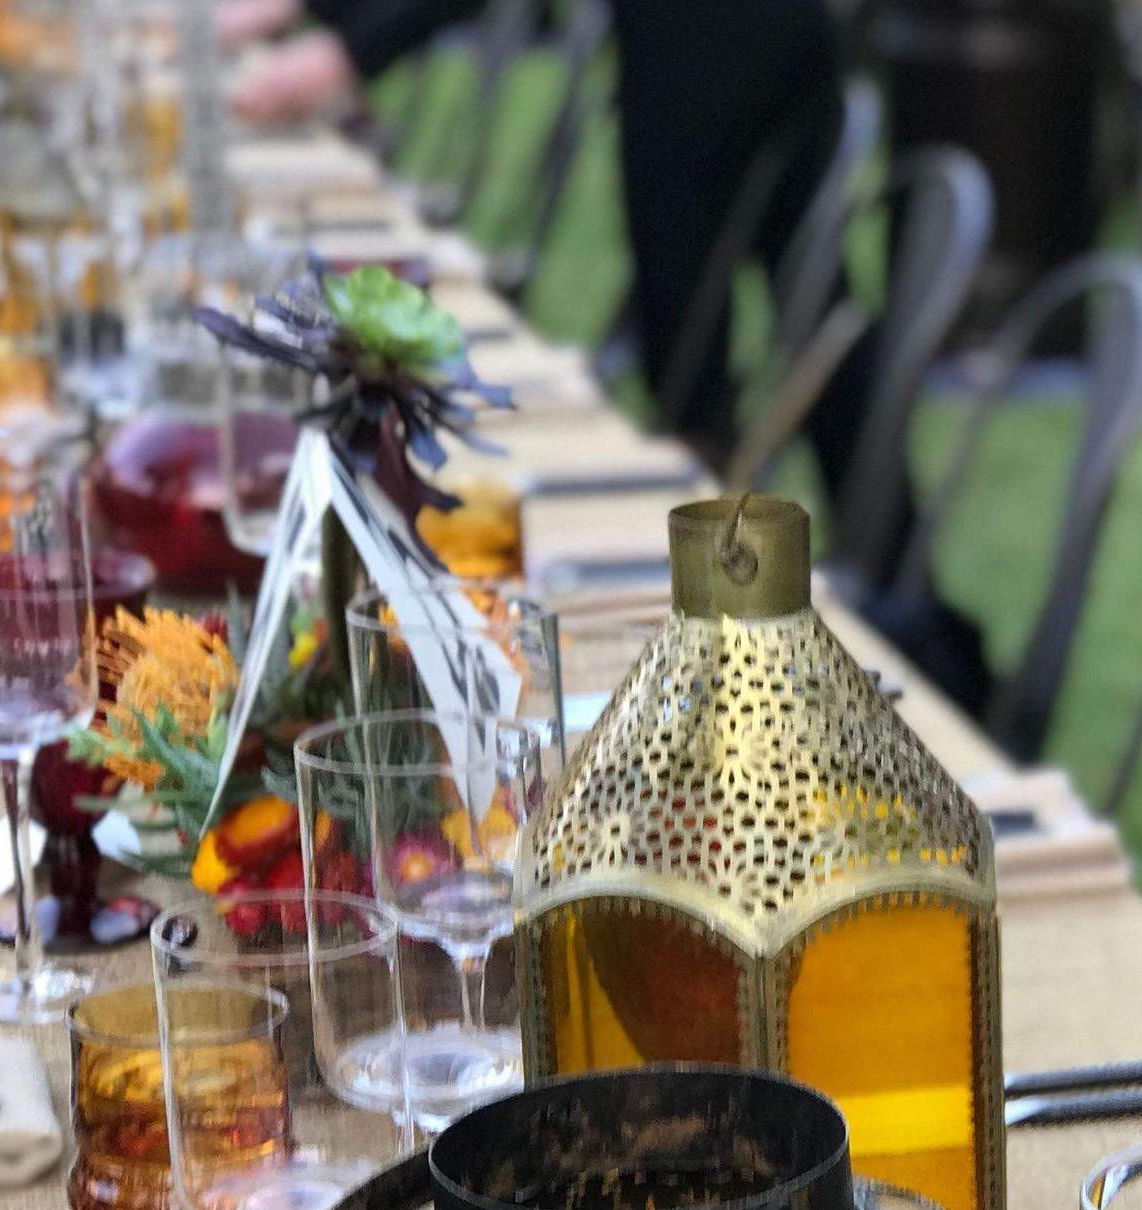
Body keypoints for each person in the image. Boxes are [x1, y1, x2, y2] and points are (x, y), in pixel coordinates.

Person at [224, 0, 993, 716]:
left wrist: (345, 47)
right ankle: (909, 622)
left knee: (705, 387)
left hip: (705, 44)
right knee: (795, 340)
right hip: (766, 33)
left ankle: (819, 652)